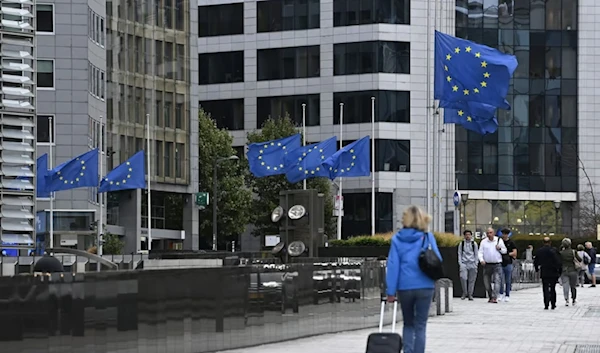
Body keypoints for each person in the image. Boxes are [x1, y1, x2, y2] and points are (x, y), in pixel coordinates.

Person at [386, 205, 442, 353]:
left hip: (405, 287)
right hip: (425, 286)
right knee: (421, 325)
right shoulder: (428, 237)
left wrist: (390, 291)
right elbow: (438, 259)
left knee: (408, 324)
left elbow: (393, 266)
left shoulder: (397, 239)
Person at [478, 227, 507, 303]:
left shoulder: (498, 240)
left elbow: (505, 251)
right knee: (486, 282)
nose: (489, 234)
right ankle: (490, 295)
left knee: (497, 281)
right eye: (488, 233)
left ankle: (494, 297)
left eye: (490, 233)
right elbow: (480, 252)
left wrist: (500, 248)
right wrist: (481, 260)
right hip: (487, 264)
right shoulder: (483, 242)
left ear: (493, 233)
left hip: (497, 264)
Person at [534, 237, 562, 310]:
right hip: (553, 271)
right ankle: (553, 304)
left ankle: (546, 304)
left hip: (544, 271)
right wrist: (560, 271)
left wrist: (537, 269)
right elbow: (559, 261)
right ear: (550, 242)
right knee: (553, 288)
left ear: (543, 243)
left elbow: (536, 261)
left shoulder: (540, 251)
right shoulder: (554, 250)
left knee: (545, 288)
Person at [559, 238, 582, 306]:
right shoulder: (573, 252)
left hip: (564, 270)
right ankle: (574, 299)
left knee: (565, 286)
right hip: (573, 270)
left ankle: (567, 300)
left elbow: (559, 262)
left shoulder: (561, 253)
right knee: (573, 286)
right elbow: (580, 260)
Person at [457, 230, 478, 300]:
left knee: (472, 280)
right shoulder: (462, 244)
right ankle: (464, 292)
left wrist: (476, 263)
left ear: (471, 235)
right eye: (466, 235)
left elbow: (476, 254)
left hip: (472, 263)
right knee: (463, 277)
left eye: (469, 234)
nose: (468, 236)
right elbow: (459, 253)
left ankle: (470, 294)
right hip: (464, 263)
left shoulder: (474, 244)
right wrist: (460, 263)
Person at [498, 228, 517, 302]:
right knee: (501, 279)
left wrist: (507, 254)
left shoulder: (511, 242)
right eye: (503, 234)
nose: (504, 235)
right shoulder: (499, 241)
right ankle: (500, 293)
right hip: (500, 262)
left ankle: (507, 294)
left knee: (508, 280)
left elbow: (515, 252)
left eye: (505, 234)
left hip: (508, 262)